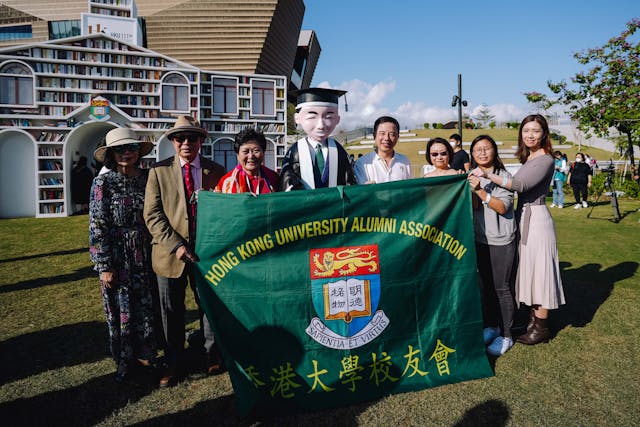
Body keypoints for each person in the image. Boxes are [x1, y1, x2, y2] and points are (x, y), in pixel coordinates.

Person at [144, 115, 226, 387]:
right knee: (171, 312)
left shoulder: (216, 170)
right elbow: (153, 215)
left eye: (192, 137)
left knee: (209, 306)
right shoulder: (158, 171)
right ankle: (174, 363)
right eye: (181, 138)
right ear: (173, 142)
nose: (186, 143)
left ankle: (211, 355)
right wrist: (177, 245)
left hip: (206, 255)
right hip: (170, 254)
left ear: (201, 141)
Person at [470, 114, 564, 345]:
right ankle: (531, 321)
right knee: (529, 271)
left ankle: (539, 327)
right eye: (526, 131)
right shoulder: (531, 158)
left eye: (535, 131)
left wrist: (486, 176)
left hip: (537, 218)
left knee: (540, 273)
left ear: (544, 134)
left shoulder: (545, 159)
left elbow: (519, 186)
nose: (530, 135)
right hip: (524, 218)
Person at [89, 128, 158, 383]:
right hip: (117, 257)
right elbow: (97, 225)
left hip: (147, 253)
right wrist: (104, 265)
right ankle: (125, 362)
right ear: (111, 154)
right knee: (121, 309)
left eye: (130, 148)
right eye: (120, 149)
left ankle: (148, 356)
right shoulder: (102, 183)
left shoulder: (149, 178)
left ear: (138, 152)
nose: (126, 153)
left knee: (147, 307)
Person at [467, 135, 517, 356]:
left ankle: (507, 335)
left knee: (502, 288)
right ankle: (493, 326)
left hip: (501, 241)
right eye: (478, 150)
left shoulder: (504, 176)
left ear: (495, 151)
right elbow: (476, 206)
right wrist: (473, 192)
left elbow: (502, 207)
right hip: (481, 239)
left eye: (486, 149)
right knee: (486, 286)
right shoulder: (473, 175)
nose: (482, 153)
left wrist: (479, 190)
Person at [278, 88, 356, 191]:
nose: (321, 125)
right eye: (312, 117)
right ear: (297, 118)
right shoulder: (294, 152)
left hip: (334, 205)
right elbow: (287, 180)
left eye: (329, 117)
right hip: (305, 205)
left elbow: (349, 181)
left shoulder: (339, 151)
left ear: (337, 119)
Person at [215, 128, 279, 194]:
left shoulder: (273, 178)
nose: (251, 156)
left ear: (263, 152)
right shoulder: (227, 181)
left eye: (256, 151)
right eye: (245, 152)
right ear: (237, 155)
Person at [354, 116, 412, 184]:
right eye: (382, 133)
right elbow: (361, 192)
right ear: (374, 136)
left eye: (392, 134)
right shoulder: (362, 163)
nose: (386, 138)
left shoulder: (404, 161)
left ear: (397, 137)